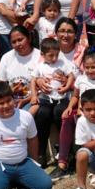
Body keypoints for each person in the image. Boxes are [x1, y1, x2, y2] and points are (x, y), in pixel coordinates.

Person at [31, 37, 76, 172]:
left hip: (61, 98)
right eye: (51, 55)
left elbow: (72, 76)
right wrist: (34, 96)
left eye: (57, 54)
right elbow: (33, 81)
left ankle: (63, 150)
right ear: (42, 55)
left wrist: (67, 86)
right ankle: (41, 153)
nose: (54, 58)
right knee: (42, 114)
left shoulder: (63, 63)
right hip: (45, 98)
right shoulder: (40, 66)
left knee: (60, 113)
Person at [0, 25, 41, 110]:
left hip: (33, 100)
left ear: (29, 38)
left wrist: (25, 100)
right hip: (10, 101)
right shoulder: (6, 57)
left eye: (20, 40)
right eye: (14, 42)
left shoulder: (40, 56)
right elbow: (0, 84)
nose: (17, 44)